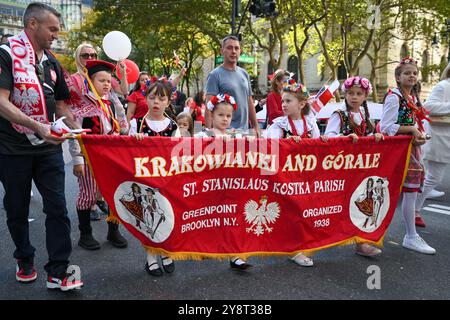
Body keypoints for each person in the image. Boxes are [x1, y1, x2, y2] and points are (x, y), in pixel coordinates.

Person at [0, 2, 83, 291]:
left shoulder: (52, 62)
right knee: (17, 208)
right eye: (52, 29)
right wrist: (38, 127)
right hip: (13, 150)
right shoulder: (6, 54)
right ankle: (24, 258)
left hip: (48, 149)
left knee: (58, 208)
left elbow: (61, 106)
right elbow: (1, 101)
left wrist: (78, 129)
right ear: (32, 24)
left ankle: (58, 270)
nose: (56, 35)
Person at [68, 59, 128, 250]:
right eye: (101, 80)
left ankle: (113, 230)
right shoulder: (82, 105)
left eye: (109, 81)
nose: (106, 84)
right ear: (90, 82)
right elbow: (75, 134)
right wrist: (77, 159)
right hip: (88, 158)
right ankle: (85, 234)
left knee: (112, 193)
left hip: (109, 158)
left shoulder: (109, 104)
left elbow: (115, 130)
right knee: (87, 196)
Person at [266, 77, 326, 267]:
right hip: (285, 177)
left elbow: (318, 149)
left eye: (288, 101)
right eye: (282, 100)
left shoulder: (311, 124)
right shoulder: (278, 125)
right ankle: (294, 248)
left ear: (301, 104)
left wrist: (321, 143)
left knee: (302, 211)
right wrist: (287, 145)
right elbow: (271, 148)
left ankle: (297, 244)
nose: (283, 104)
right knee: (290, 212)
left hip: (305, 176)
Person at [380, 56, 435, 255]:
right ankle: (409, 236)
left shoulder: (411, 97)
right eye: (407, 73)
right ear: (397, 76)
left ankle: (410, 235)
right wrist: (411, 129)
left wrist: (417, 134)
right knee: (397, 193)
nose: (411, 76)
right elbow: (386, 126)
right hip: (398, 151)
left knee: (409, 193)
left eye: (414, 73)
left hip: (411, 149)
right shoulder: (394, 97)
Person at [324, 76, 384, 256]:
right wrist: (345, 139)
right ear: (345, 94)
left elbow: (369, 133)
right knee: (336, 206)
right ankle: (323, 238)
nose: (354, 97)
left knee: (360, 205)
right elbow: (329, 136)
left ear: (365, 96)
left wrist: (376, 136)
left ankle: (360, 242)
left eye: (359, 94)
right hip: (341, 168)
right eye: (351, 93)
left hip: (360, 169)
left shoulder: (365, 115)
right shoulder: (339, 115)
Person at [130, 80, 180, 276]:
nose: (156, 102)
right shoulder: (137, 124)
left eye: (161, 98)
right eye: (152, 98)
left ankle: (166, 253)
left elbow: (178, 153)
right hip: (144, 180)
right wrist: (136, 142)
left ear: (168, 102)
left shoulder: (173, 126)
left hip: (166, 180)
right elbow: (125, 151)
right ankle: (150, 257)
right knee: (147, 219)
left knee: (166, 216)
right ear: (146, 99)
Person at [415, 63, 450, 226]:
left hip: (446, 138)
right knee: (434, 177)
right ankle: (415, 209)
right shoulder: (444, 86)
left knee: (433, 177)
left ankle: (415, 208)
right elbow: (428, 106)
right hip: (439, 138)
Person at [205, 35, 259, 136]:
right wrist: (209, 133)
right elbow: (209, 106)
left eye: (236, 48)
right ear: (222, 51)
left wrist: (256, 126)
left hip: (244, 132)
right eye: (229, 48)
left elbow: (249, 101)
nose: (233, 51)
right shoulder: (215, 75)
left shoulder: (244, 74)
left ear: (240, 51)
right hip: (225, 134)